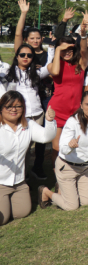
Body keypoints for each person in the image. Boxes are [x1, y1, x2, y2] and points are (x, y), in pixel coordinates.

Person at [39, 91, 88, 211]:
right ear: (81, 105)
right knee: (72, 206)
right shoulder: (73, 122)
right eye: (87, 104)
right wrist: (70, 145)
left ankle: (64, 189)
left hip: (85, 168)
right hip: (67, 167)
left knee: (86, 202)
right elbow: (62, 148)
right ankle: (46, 192)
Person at [0, 92, 56, 225]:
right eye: (9, 106)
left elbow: (46, 137)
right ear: (1, 108)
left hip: (19, 182)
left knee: (22, 212)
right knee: (2, 219)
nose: (14, 109)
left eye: (18, 106)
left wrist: (49, 121)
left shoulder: (28, 124)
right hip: (1, 182)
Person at [47, 12, 88, 161]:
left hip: (75, 111)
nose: (67, 52)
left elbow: (84, 51)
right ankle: (58, 176)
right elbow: (54, 71)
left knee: (75, 144)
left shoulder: (80, 64)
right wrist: (59, 49)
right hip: (57, 109)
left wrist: (84, 33)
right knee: (57, 147)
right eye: (64, 50)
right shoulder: (53, 64)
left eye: (70, 50)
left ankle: (72, 172)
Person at [5, 45, 51, 179]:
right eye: (22, 55)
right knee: (22, 149)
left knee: (36, 146)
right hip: (20, 116)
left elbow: (50, 67)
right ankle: (20, 178)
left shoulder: (35, 73)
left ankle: (27, 175)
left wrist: (53, 48)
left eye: (29, 55)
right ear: (17, 56)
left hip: (38, 114)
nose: (26, 57)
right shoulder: (9, 72)